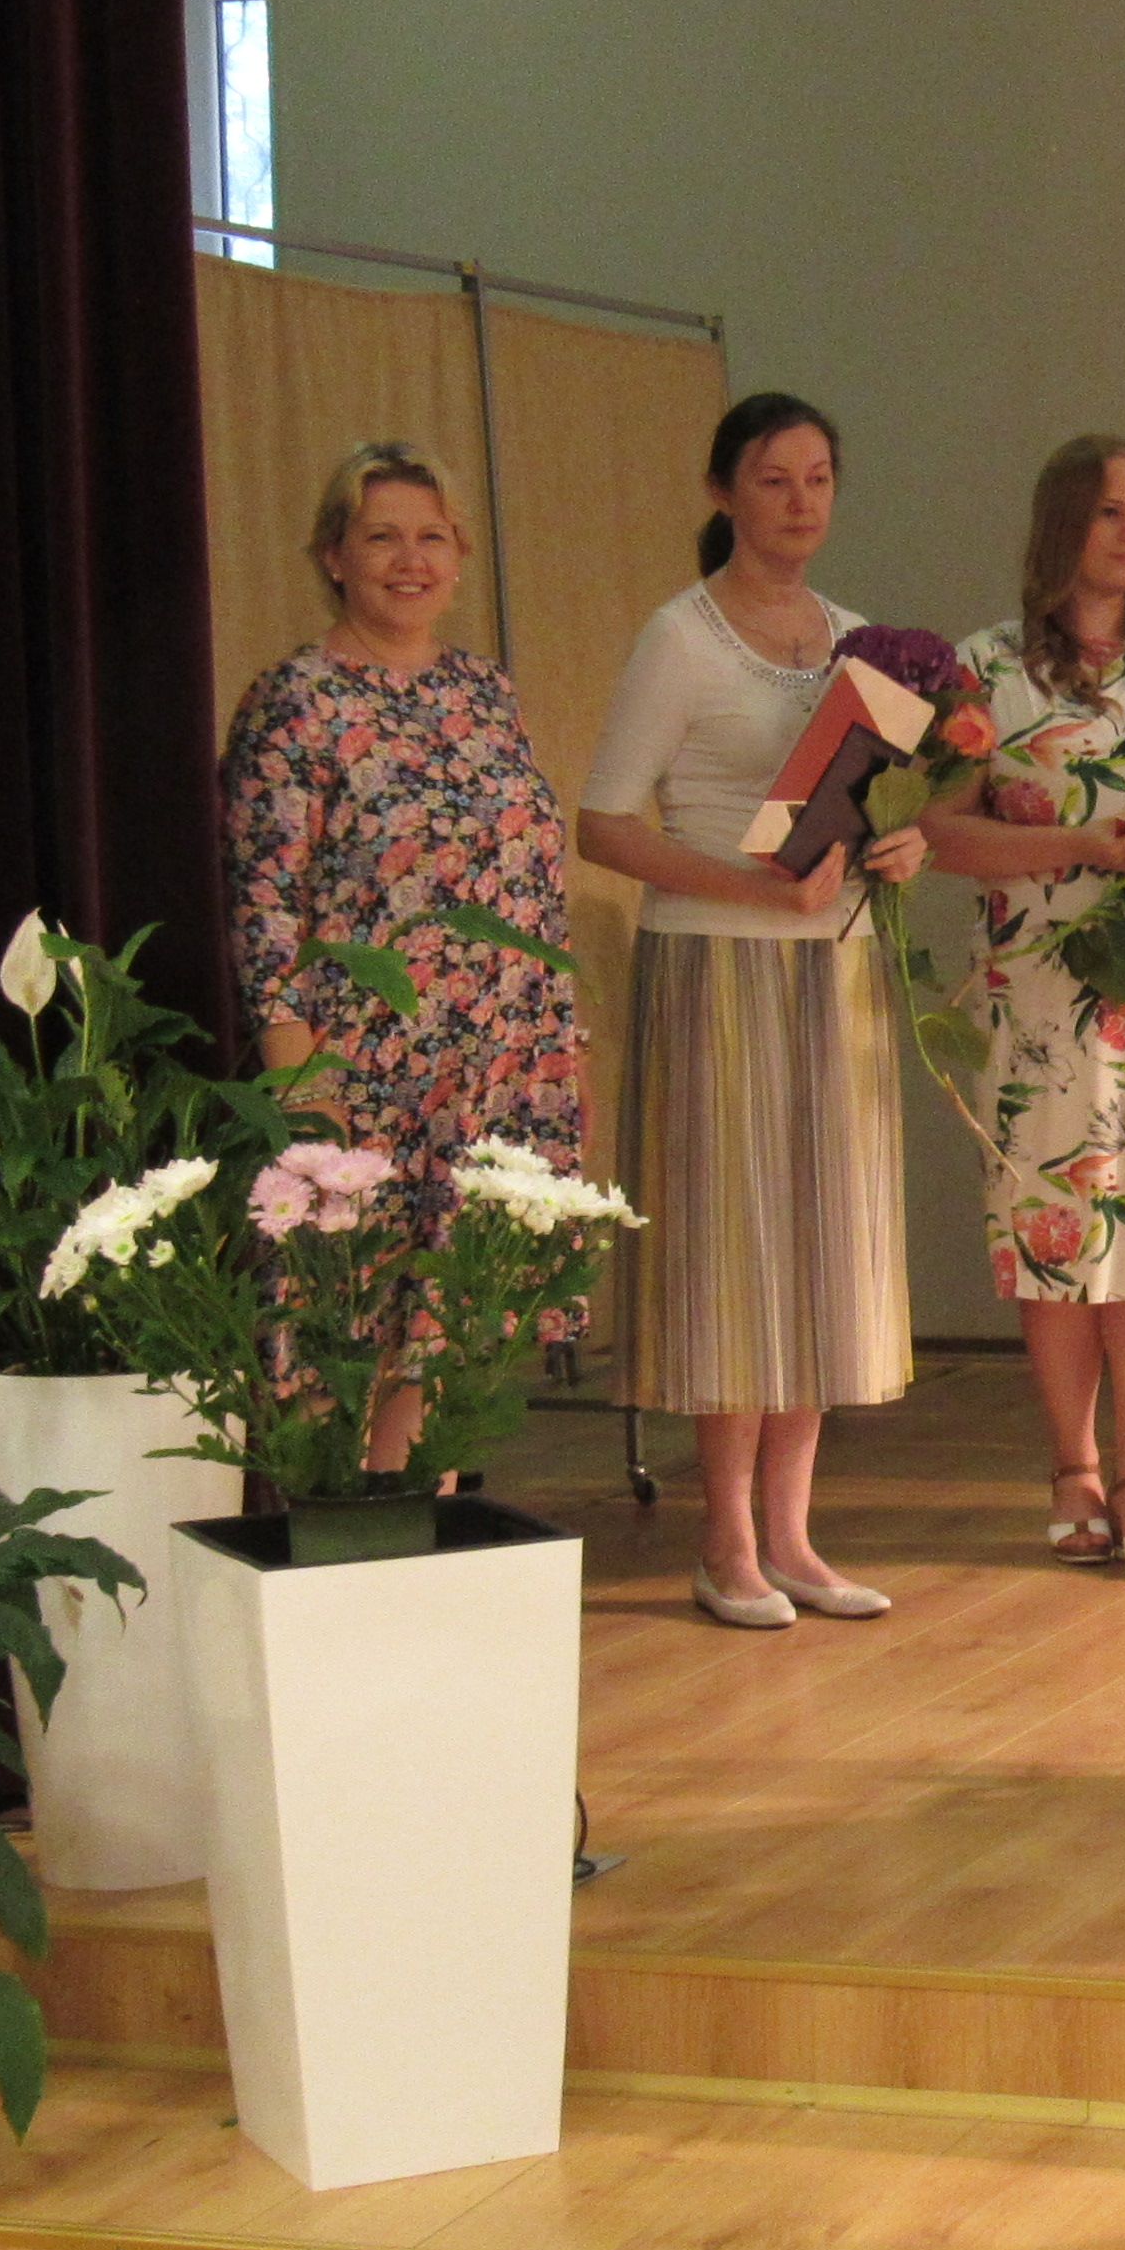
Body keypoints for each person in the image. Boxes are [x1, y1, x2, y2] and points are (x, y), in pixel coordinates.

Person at [577, 393, 930, 1628]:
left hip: (835, 970)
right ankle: (724, 1538)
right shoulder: (680, 637)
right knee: (736, 1249)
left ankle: (792, 1533)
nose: (800, 502)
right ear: (724, 491)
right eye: (774, 480)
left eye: (819, 478)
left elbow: (875, 802)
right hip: (715, 966)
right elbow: (605, 822)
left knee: (823, 1239)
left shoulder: (861, 641)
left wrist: (904, 846)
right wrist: (749, 886)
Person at [219, 441, 586, 1478]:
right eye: (382, 536)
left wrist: (563, 1051)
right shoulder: (296, 700)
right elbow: (263, 896)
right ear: (333, 555)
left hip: (497, 1062)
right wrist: (297, 1076)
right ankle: (349, 1531)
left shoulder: (485, 691)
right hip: (362, 1069)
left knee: (450, 1328)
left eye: (432, 537)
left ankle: (423, 1517)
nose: (410, 559)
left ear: (460, 557)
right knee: (346, 1323)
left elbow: (532, 881)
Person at [926, 434, 1125, 1583]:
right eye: (1110, 511)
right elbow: (939, 832)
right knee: (1056, 1215)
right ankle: (1073, 1467)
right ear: (1063, 521)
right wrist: (1076, 845)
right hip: (1044, 982)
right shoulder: (987, 669)